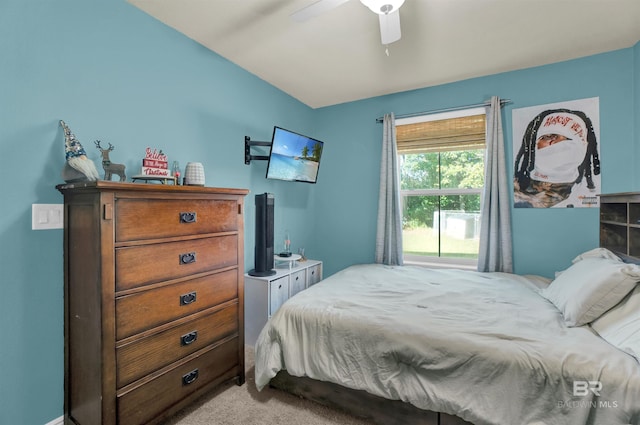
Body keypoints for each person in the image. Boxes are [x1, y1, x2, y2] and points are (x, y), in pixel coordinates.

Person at [514, 108, 600, 208]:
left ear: (583, 146)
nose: (554, 143)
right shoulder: (513, 193)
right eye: (547, 137)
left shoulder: (587, 197)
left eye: (568, 138)